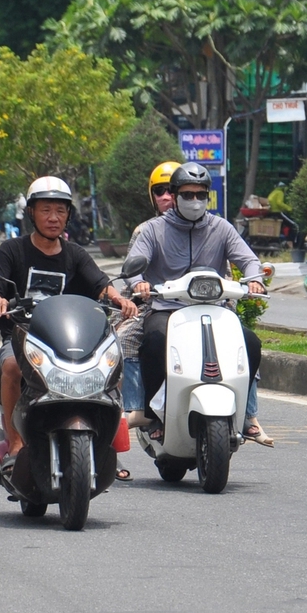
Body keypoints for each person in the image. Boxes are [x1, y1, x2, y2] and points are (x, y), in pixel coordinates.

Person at [0, 175, 136, 464]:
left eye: (60, 211)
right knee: (12, 368)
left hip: (68, 338)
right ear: (31, 212)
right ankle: (15, 444)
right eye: (45, 210)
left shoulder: (75, 255)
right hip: (24, 336)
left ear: (68, 215)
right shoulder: (12, 250)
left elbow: (100, 284)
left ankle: (108, 446)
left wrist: (118, 299)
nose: (53, 218)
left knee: (111, 367)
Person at [124, 162, 269, 442]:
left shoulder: (221, 228)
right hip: (167, 308)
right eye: (187, 195)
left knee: (250, 342)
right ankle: (153, 413)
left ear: (208, 197)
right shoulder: (153, 230)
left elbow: (248, 259)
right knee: (153, 340)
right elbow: (134, 264)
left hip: (215, 309)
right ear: (175, 196)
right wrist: (138, 282)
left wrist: (255, 278)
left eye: (200, 195)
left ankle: (246, 413)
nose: (194, 201)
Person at [116, 161, 179, 425]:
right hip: (155, 306)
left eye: (172, 190)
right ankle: (137, 407)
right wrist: (137, 286)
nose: (166, 197)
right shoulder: (145, 231)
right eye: (159, 191)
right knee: (123, 339)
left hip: (205, 305)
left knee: (244, 341)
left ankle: (249, 415)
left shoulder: (213, 226)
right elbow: (132, 271)